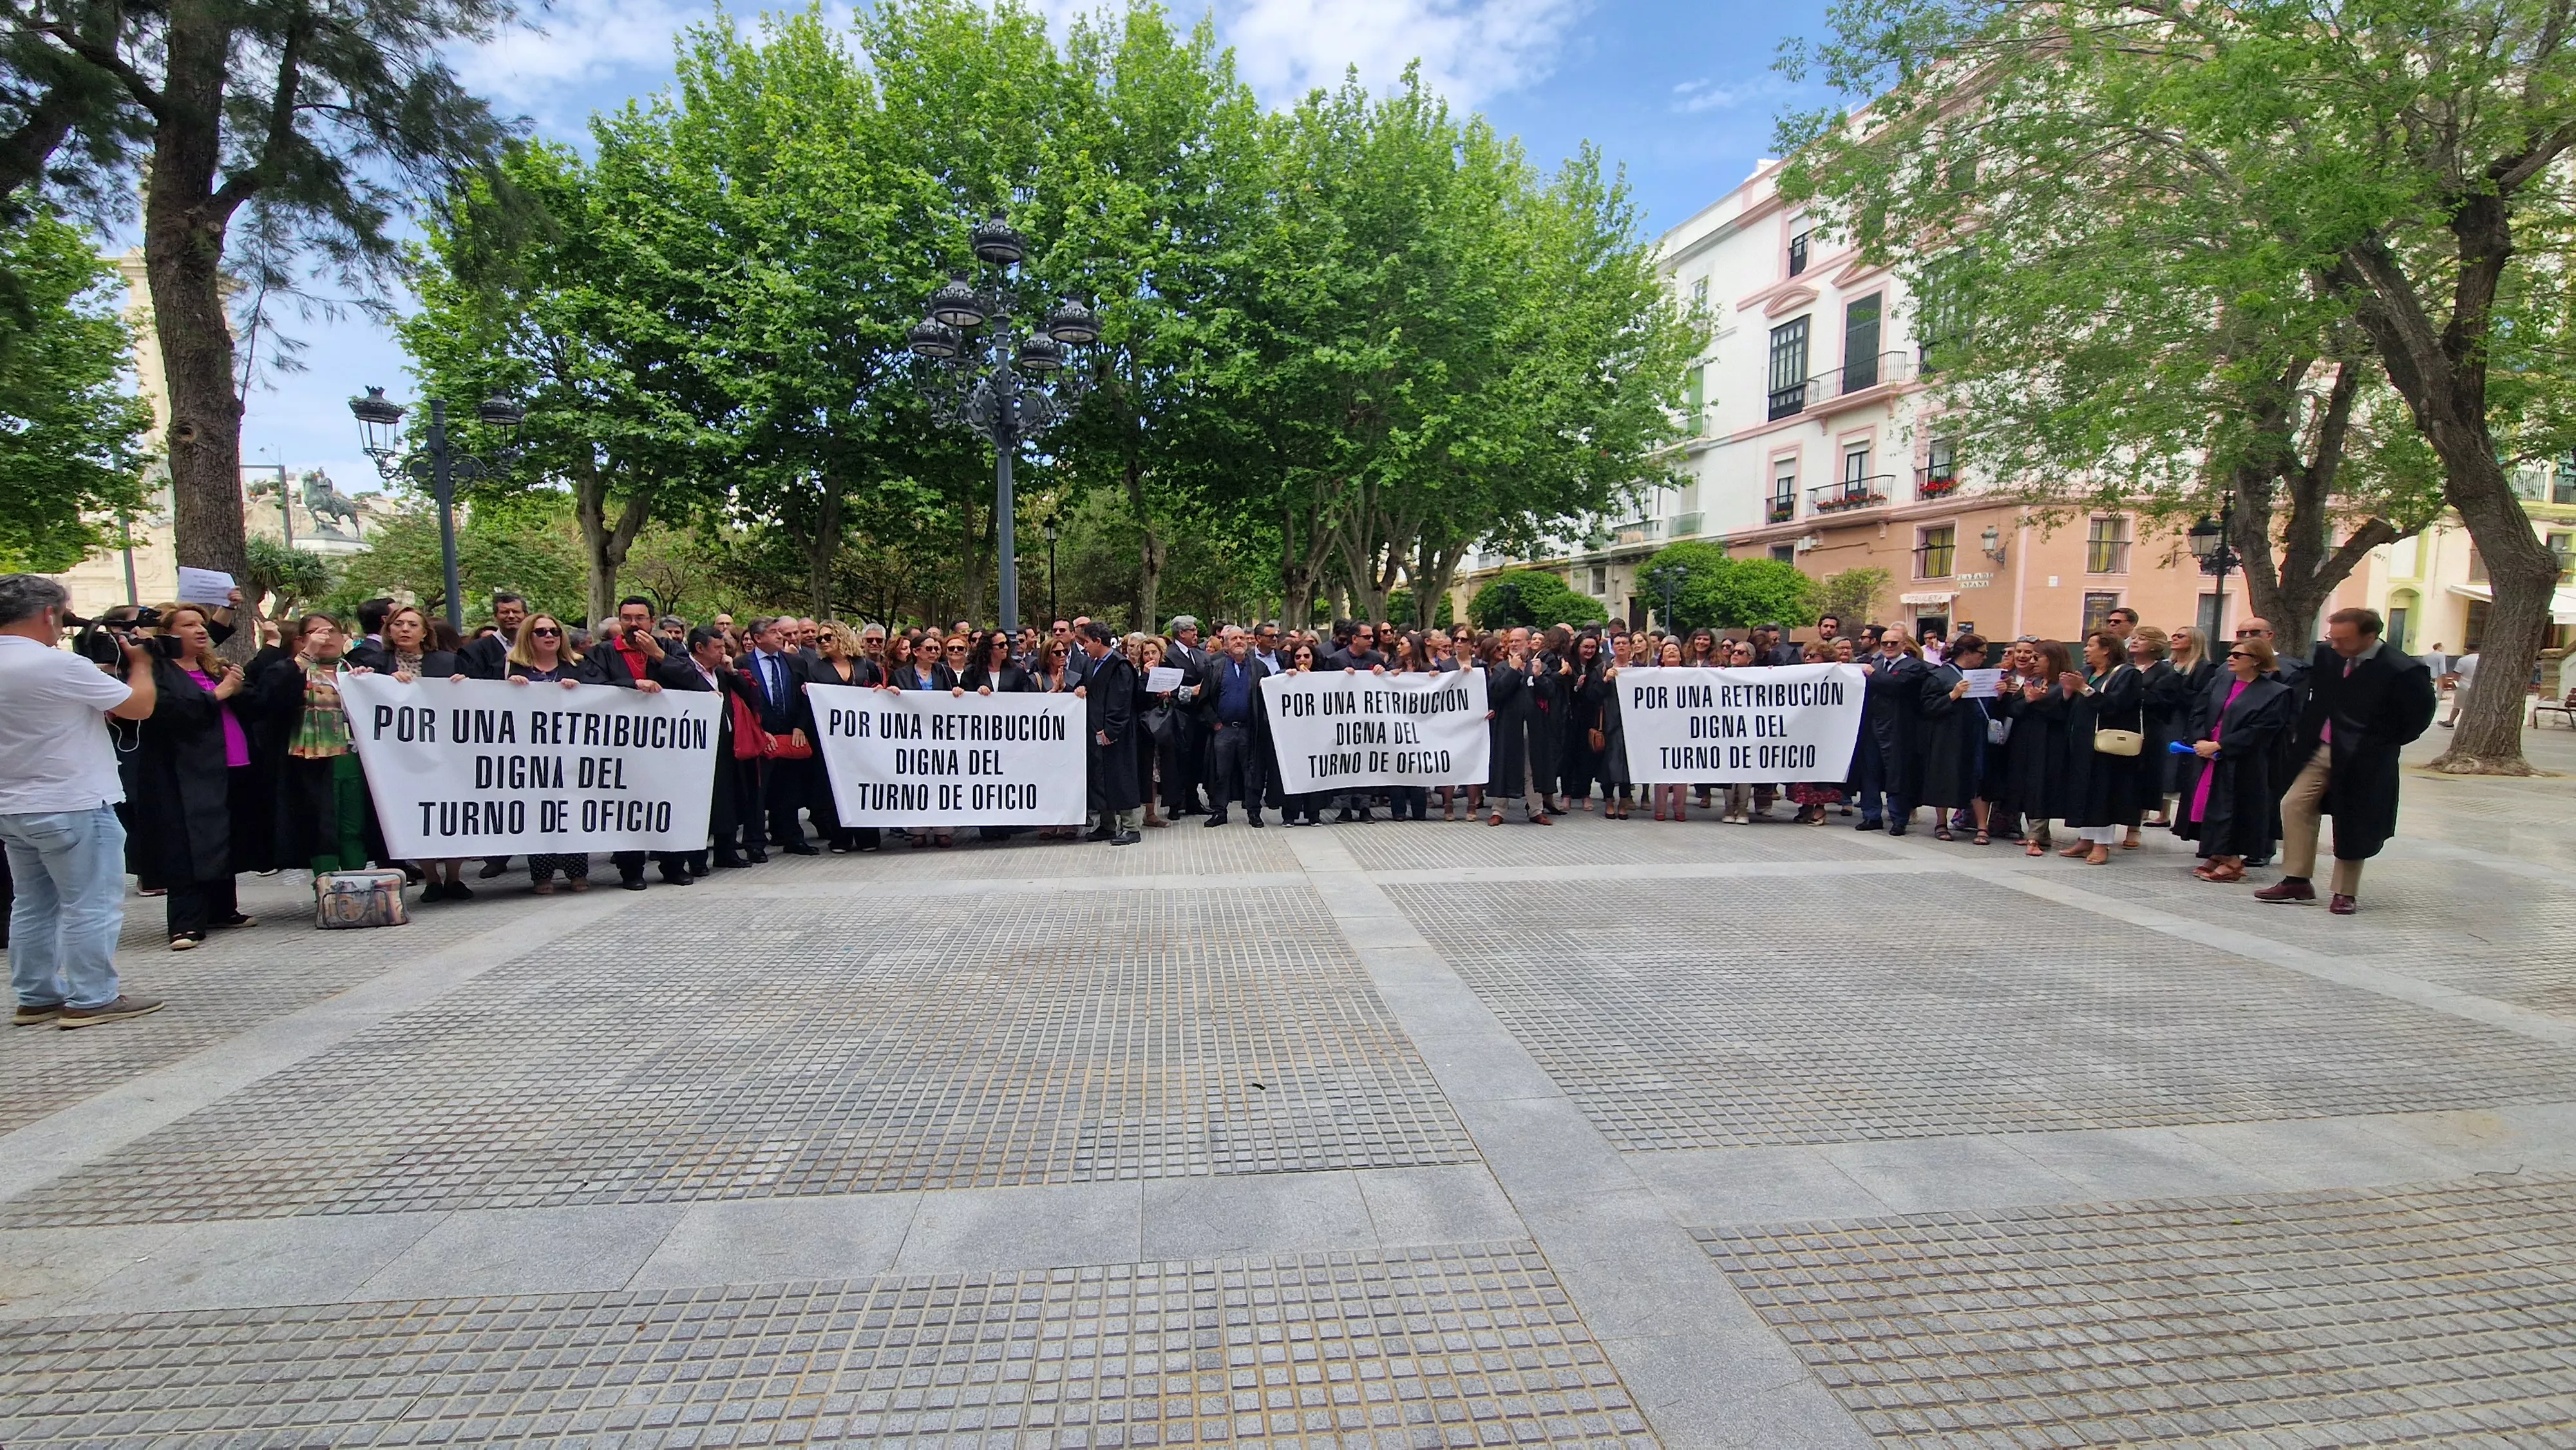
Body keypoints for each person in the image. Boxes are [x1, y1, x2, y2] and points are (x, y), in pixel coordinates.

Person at [1, 575, 164, 1028]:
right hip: (73, 798)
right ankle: (92, 996)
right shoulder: (56, 664)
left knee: (32, 903)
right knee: (89, 903)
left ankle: (35, 994)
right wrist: (143, 664)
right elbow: (138, 707)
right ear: (48, 613)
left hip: (13, 803)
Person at [2257, 607, 2436, 914]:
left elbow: (2418, 717)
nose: (2336, 645)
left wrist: (2378, 742)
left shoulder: (2401, 670)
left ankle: (2345, 892)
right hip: (2322, 747)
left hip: (2364, 756)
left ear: (2370, 636)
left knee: (2354, 819)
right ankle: (2297, 879)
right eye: (2332, 637)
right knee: (2294, 804)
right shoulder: (2328, 656)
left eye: (2344, 639)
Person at [122, 604, 269, 949]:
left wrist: (236, 686)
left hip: (231, 762)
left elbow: (248, 702)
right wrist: (218, 694)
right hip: (184, 769)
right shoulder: (157, 670)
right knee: (188, 843)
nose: (201, 630)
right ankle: (185, 922)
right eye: (189, 625)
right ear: (168, 634)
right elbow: (165, 713)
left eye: (202, 624)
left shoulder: (213, 666)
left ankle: (222, 908)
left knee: (222, 836)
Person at [361, 605, 473, 901]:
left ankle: (454, 878)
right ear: (389, 630)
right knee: (415, 812)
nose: (405, 630)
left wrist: (464, 687)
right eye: (398, 624)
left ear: (425, 632)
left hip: (447, 751)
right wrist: (367, 680)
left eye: (412, 624)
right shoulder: (376, 663)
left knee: (450, 811)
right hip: (402, 755)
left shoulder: (449, 662)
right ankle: (431, 879)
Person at [256, 612, 377, 881]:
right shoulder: (292, 669)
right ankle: (327, 885)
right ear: (301, 639)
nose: (326, 637)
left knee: (353, 824)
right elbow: (270, 697)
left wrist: (370, 683)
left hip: (356, 757)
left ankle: (358, 882)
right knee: (322, 825)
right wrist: (306, 656)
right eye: (315, 632)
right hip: (313, 759)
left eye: (331, 630)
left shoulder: (356, 671)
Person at [2172, 635, 2297, 883]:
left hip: (2243, 760)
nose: (2230, 658)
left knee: (2233, 808)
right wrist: (2200, 741)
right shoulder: (2222, 681)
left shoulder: (2275, 693)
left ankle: (2233, 860)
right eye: (2231, 653)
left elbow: (2263, 729)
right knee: (2207, 805)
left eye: (2238, 655)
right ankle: (2218, 853)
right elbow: (2200, 711)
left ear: (2256, 660)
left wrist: (2222, 745)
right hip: (2208, 753)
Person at [499, 614, 594, 892]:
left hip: (571, 750)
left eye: (554, 631)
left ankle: (577, 872)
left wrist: (581, 690)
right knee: (538, 810)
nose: (549, 636)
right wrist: (508, 688)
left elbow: (603, 694)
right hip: (531, 753)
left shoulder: (577, 665)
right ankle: (542, 875)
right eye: (541, 632)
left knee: (574, 808)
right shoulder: (512, 666)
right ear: (528, 637)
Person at [655, 624, 757, 872]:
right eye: (718, 647)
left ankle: (726, 851)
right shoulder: (682, 670)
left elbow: (747, 695)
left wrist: (732, 672)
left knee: (728, 800)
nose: (723, 652)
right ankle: (696, 859)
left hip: (726, 746)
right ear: (700, 648)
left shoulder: (721, 672)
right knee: (700, 804)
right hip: (696, 748)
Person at [2057, 629, 2148, 866]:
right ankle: (2085, 838)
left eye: (2091, 645)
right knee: (2084, 789)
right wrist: (2068, 691)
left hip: (2107, 744)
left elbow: (2117, 706)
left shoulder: (2127, 674)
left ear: (2107, 649)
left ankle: (2102, 843)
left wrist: (2084, 689)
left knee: (2103, 791)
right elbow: (2074, 705)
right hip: (2082, 741)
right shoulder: (2086, 672)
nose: (2085, 650)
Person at [738, 616, 816, 857]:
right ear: (758, 638)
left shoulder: (795, 662)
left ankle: (793, 837)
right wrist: (760, 731)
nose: (780, 636)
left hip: (790, 736)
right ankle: (754, 843)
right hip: (760, 737)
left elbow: (805, 697)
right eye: (774, 632)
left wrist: (800, 727)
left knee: (790, 789)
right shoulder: (743, 664)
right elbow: (741, 704)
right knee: (758, 793)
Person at [1917, 633, 1995, 843]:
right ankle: (1941, 823)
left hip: (1976, 734)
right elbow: (1927, 707)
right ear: (1967, 653)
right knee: (1944, 776)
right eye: (1982, 653)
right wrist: (1953, 695)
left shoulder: (1983, 676)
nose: (1984, 658)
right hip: (1948, 736)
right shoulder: (1940, 676)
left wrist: (2002, 693)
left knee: (1978, 778)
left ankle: (1982, 827)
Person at [2003, 639, 2073, 856]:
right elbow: (2014, 708)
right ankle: (2040, 833)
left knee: (2041, 785)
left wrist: (2038, 702)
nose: (2032, 662)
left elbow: (2064, 714)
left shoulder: (2063, 685)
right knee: (2026, 784)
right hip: (2025, 741)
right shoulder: (2032, 681)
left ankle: (2035, 836)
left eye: (2037, 657)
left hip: (2050, 742)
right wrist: (2029, 701)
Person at [1853, 628, 1927, 833]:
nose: (1888, 646)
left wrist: (1873, 675)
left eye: (1893, 643)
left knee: (1898, 774)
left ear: (1904, 645)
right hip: (1872, 727)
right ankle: (1871, 816)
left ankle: (1899, 819)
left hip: (1899, 729)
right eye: (1885, 643)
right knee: (1870, 772)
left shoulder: (1913, 667)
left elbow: (1895, 685)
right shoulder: (1875, 665)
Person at [1079, 621, 1142, 843]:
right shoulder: (1092, 665)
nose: (1084, 646)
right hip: (1096, 730)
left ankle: (1131, 827)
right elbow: (1088, 688)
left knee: (1120, 777)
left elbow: (1121, 701)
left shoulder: (1120, 666)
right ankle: (1107, 825)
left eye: (1086, 641)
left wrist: (1111, 729)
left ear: (1098, 641)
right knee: (1101, 777)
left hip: (1116, 734)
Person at [1484, 633, 1551, 825]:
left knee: (1532, 768)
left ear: (1528, 644)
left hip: (1533, 727)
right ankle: (1498, 810)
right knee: (1503, 765)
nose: (1513, 644)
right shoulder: (1502, 668)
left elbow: (1549, 692)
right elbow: (1497, 693)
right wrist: (1513, 670)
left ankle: (1536, 810)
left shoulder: (1537, 666)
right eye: (1511, 641)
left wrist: (1538, 677)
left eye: (1518, 641)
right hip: (1508, 727)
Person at [2130, 625, 2185, 839]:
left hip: (2151, 731)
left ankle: (2135, 826)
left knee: (2143, 778)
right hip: (2124, 727)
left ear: (2155, 646)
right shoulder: (2124, 668)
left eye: (2142, 639)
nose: (2134, 642)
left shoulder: (2166, 673)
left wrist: (2135, 691)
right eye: (2134, 638)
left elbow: (2164, 703)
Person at [1787, 641, 1844, 825]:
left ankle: (1820, 808)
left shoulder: (1838, 674)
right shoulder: (1799, 675)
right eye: (1807, 656)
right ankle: (1805, 806)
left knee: (1820, 770)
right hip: (1802, 730)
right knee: (1802, 771)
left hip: (1825, 731)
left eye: (1814, 656)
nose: (1808, 659)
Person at [1586, 632, 1635, 819]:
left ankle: (1624, 800)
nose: (1621, 646)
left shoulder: (1639, 669)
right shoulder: (1602, 667)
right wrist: (1605, 680)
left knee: (1627, 763)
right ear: (1612, 647)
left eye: (1625, 643)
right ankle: (1609, 801)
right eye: (1618, 643)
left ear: (1630, 646)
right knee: (1608, 764)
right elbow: (1591, 696)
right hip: (1608, 723)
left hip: (1632, 724)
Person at [1647, 638, 1689, 821]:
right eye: (1667, 650)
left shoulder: (1693, 675)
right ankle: (1661, 809)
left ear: (1681, 657)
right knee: (1661, 770)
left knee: (1682, 770)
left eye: (1675, 650)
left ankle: (1680, 809)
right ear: (1661, 658)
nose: (1672, 652)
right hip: (1661, 727)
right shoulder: (1653, 675)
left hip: (1684, 728)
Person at [2440, 646, 2479, 727]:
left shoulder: (2463, 660)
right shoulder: (2484, 659)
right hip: (2479, 687)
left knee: (2457, 706)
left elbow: (2457, 675)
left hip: (2464, 686)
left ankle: (2450, 722)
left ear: (2467, 650)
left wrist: (2455, 684)